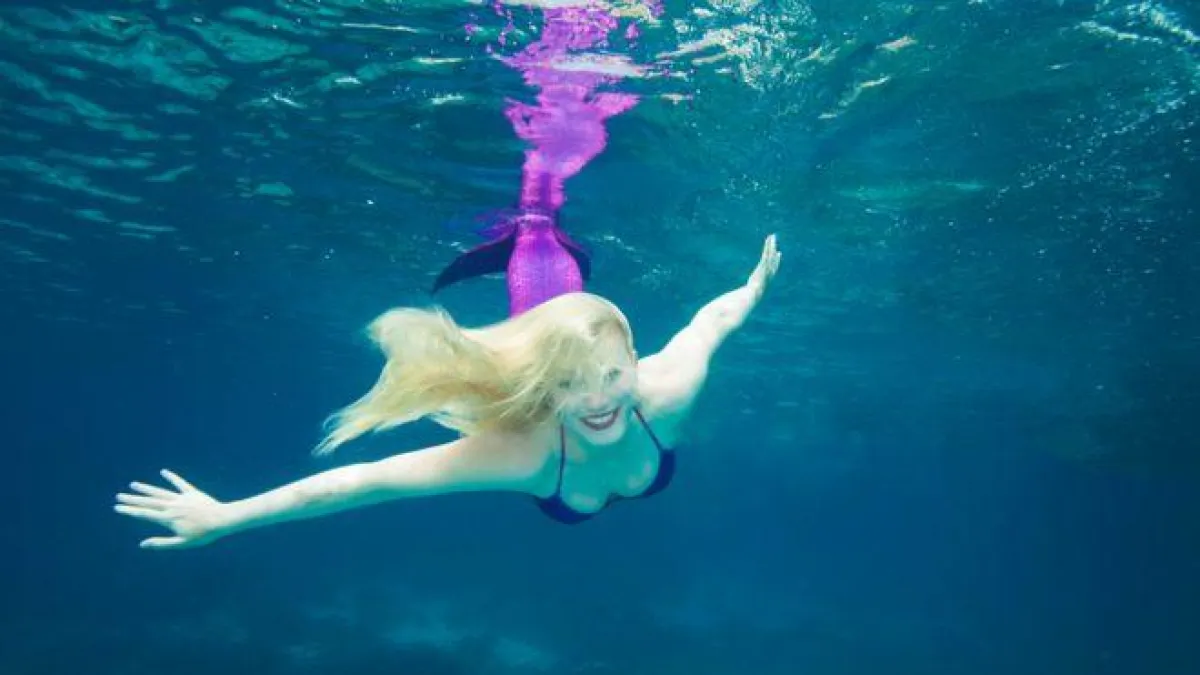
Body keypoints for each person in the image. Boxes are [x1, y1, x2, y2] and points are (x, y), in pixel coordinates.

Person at [113, 235, 782, 548]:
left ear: (635, 361)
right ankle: (533, 233)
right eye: (569, 384)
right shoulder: (521, 453)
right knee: (538, 296)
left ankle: (542, 237)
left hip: (572, 350)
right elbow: (365, 482)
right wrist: (227, 516)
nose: (598, 399)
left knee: (556, 310)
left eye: (612, 374)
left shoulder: (668, 388)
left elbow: (710, 324)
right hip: (537, 371)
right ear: (547, 389)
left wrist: (752, 289)